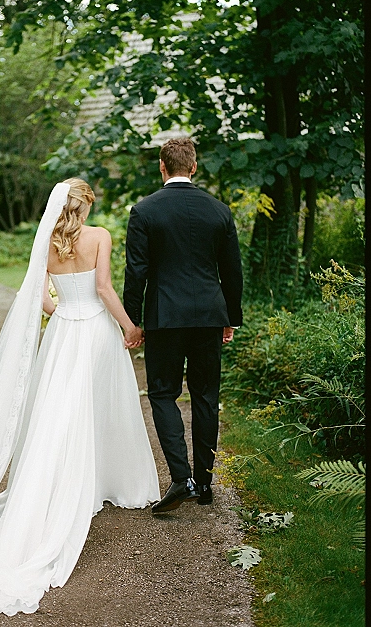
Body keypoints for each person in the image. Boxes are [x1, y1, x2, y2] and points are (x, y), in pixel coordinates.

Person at [0, 178, 160, 615]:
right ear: (84, 206)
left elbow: (36, 298)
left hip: (64, 332)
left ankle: (66, 481)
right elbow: (105, 289)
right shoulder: (100, 237)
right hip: (95, 333)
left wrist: (64, 309)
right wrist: (129, 327)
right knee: (99, 407)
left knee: (59, 413)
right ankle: (103, 481)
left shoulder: (46, 244)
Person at [123, 137, 243, 513]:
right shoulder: (219, 211)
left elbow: (136, 272)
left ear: (162, 167)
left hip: (166, 317)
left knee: (162, 393)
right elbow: (232, 272)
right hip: (209, 316)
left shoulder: (144, 211)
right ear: (194, 167)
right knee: (206, 396)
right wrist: (231, 318)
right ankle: (205, 483)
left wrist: (132, 321)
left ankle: (182, 479)